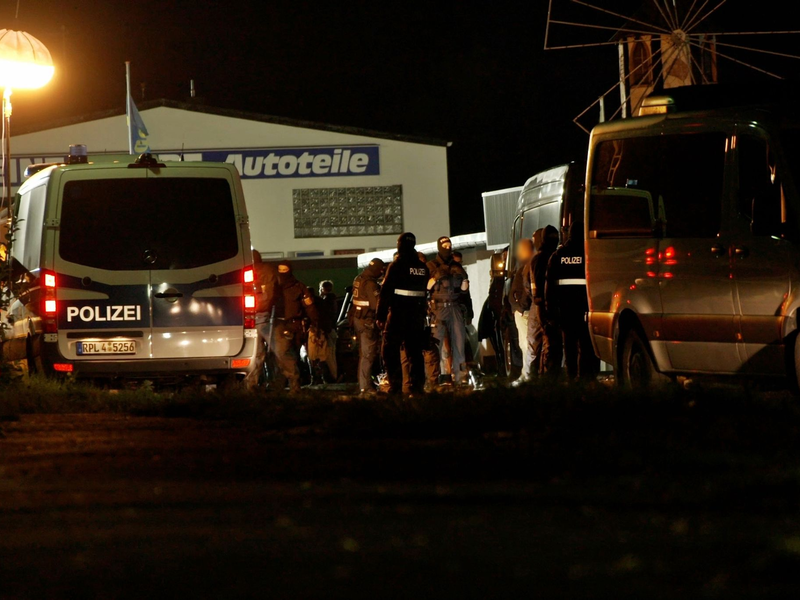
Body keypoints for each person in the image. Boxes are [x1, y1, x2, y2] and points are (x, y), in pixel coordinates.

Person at [545, 220, 600, 382]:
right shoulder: (589, 255)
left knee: (569, 345)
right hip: (585, 308)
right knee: (586, 344)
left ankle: (571, 377)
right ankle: (585, 377)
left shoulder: (558, 256)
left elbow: (550, 287)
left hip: (565, 310)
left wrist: (550, 312)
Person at [376, 232, 429, 395]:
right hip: (416, 316)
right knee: (415, 353)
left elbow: (385, 292)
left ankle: (396, 386)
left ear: (400, 245)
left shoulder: (397, 266)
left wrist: (380, 315)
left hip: (398, 314)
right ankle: (417, 387)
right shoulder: (422, 267)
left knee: (390, 350)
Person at [426, 236, 469, 385]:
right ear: (439, 246)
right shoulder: (431, 265)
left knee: (459, 344)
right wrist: (437, 277)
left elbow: (464, 289)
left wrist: (463, 278)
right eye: (444, 244)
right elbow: (426, 287)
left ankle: (461, 378)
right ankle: (432, 380)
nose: (447, 247)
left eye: (449, 244)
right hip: (438, 308)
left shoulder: (456, 266)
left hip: (455, 306)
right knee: (435, 346)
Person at [273, 260, 319, 393]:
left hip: (294, 326)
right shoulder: (274, 287)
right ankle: (284, 384)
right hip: (277, 324)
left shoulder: (299, 287)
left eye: (284, 270)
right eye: (280, 270)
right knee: (281, 355)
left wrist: (315, 322)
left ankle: (292, 385)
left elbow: (310, 307)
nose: (282, 274)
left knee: (289, 355)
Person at [531, 225, 562, 378]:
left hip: (550, 305)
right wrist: (543, 306)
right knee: (549, 342)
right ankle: (548, 376)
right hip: (545, 306)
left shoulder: (551, 256)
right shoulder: (542, 258)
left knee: (553, 342)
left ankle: (550, 374)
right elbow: (537, 284)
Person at [351, 258, 385, 395]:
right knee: (368, 355)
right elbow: (375, 305)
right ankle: (365, 387)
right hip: (367, 321)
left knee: (364, 354)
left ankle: (364, 385)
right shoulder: (371, 284)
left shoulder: (359, 279)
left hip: (358, 320)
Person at [509, 238, 534, 385]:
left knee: (526, 344)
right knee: (526, 344)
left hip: (524, 312)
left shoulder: (528, 266)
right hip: (522, 310)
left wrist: (520, 307)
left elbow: (526, 289)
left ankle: (527, 375)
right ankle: (527, 373)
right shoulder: (525, 265)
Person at [252, 250, 279, 387]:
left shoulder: (246, 271)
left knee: (256, 355)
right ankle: (275, 382)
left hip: (251, 318)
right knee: (276, 351)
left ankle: (253, 384)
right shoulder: (270, 270)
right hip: (268, 316)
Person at [525, 229, 546, 378]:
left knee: (533, 342)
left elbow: (529, 286)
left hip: (537, 305)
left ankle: (532, 375)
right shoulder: (554, 256)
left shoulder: (536, 260)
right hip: (551, 303)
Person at [318, 279, 339, 381]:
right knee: (331, 356)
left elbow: (326, 315)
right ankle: (333, 376)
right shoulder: (332, 299)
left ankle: (333, 377)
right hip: (332, 329)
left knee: (329, 356)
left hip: (328, 330)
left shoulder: (326, 300)